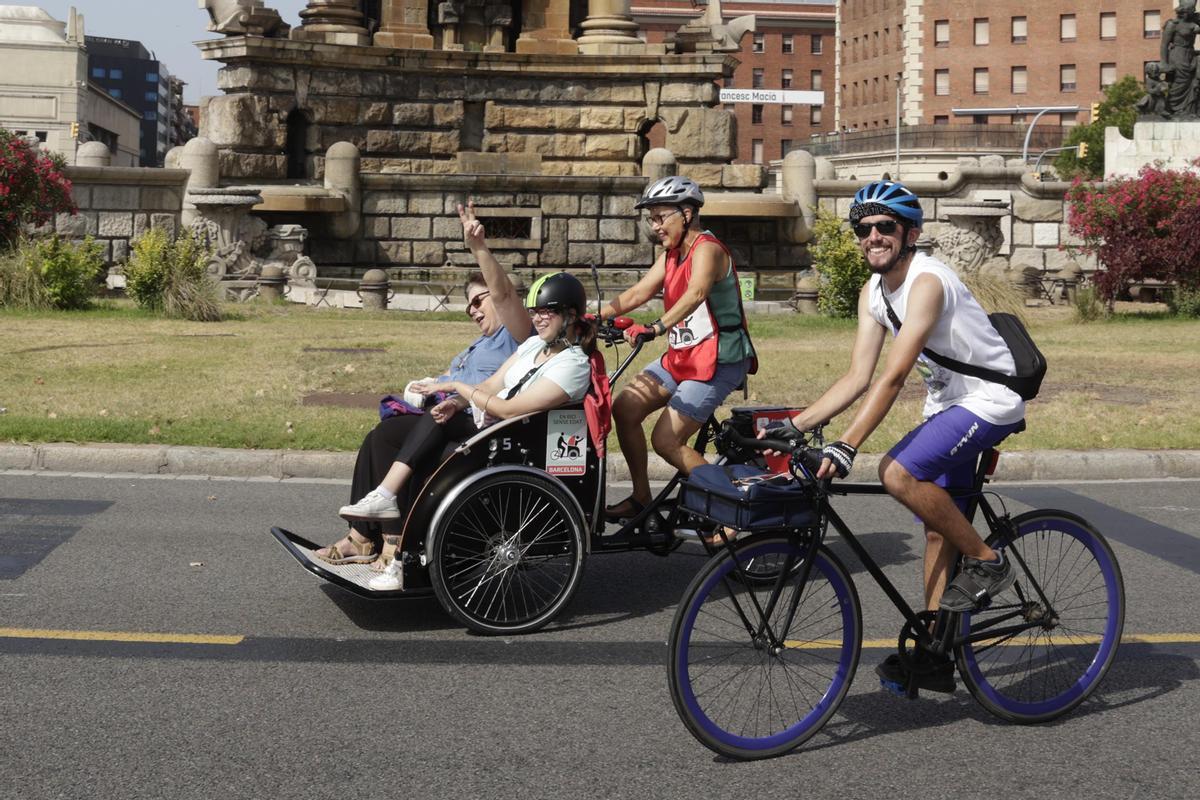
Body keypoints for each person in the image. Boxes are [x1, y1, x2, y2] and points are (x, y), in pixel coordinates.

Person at [767, 179, 1025, 693]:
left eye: (885, 227)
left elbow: (892, 377)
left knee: (897, 472)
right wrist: (790, 427)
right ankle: (935, 655)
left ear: (910, 233)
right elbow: (858, 376)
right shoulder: (874, 292)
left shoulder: (927, 281)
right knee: (937, 526)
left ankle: (987, 562)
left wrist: (847, 444)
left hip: (987, 401)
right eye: (864, 229)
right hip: (949, 405)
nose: (873, 237)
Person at [319, 270, 595, 590]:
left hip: (508, 438)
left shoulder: (574, 365)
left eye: (547, 311)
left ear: (570, 315)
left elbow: (507, 409)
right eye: (534, 312)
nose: (538, 319)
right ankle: (378, 527)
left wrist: (457, 388)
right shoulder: (533, 345)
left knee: (438, 423)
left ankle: (398, 551)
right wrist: (457, 401)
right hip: (482, 422)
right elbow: (493, 384)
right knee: (388, 434)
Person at [313, 201, 532, 566]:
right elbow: (448, 381)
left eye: (479, 301)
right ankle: (362, 536)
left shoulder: (517, 335)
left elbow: (503, 294)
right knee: (381, 437)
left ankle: (394, 542)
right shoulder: (473, 347)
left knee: (426, 424)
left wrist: (479, 248)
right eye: (469, 308)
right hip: (448, 414)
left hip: (480, 424)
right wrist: (426, 385)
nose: (475, 311)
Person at [598, 175, 756, 522]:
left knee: (666, 441)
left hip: (719, 359)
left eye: (660, 217)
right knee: (624, 409)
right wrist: (592, 316)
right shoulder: (671, 254)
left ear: (686, 213)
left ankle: (736, 507)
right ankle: (641, 498)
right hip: (682, 357)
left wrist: (655, 327)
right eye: (650, 218)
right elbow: (639, 293)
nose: (655, 226)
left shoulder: (708, 249)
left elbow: (696, 293)